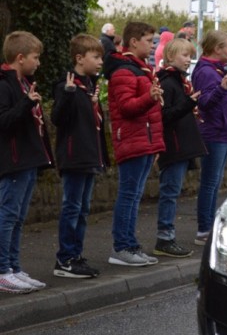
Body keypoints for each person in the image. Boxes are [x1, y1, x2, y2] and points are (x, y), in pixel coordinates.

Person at [106, 21, 164, 267]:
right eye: (149, 41)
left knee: (135, 195)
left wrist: (156, 145)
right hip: (132, 139)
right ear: (133, 42)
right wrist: (149, 97)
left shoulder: (140, 69)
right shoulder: (124, 72)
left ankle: (130, 244)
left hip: (144, 140)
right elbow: (127, 107)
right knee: (128, 195)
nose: (153, 46)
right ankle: (122, 246)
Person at [0, 31, 54, 293]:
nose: (38, 62)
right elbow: (4, 122)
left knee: (19, 217)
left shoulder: (24, 84)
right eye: (35, 57)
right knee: (7, 215)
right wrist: (25, 103)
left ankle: (14, 266)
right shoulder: (4, 85)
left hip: (28, 160)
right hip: (13, 161)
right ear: (20, 58)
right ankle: (2, 270)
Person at [51, 35, 108, 279]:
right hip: (74, 157)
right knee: (72, 207)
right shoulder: (68, 84)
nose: (100, 62)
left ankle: (76, 254)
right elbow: (58, 119)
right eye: (95, 57)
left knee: (83, 209)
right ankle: (65, 258)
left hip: (89, 156)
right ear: (79, 58)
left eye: (101, 57)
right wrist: (69, 93)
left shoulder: (90, 85)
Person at [155, 37, 207, 258]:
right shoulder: (168, 83)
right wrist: (189, 103)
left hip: (182, 145)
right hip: (173, 147)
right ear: (170, 56)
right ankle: (165, 237)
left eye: (190, 55)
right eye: (184, 55)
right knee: (169, 192)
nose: (188, 60)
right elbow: (164, 116)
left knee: (173, 192)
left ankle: (168, 236)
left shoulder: (178, 82)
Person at [193, 30, 227, 246]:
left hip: (222, 133)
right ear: (217, 49)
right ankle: (204, 227)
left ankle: (209, 225)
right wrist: (222, 89)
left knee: (215, 182)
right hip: (213, 133)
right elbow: (205, 103)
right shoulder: (207, 72)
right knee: (210, 183)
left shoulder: (217, 71)